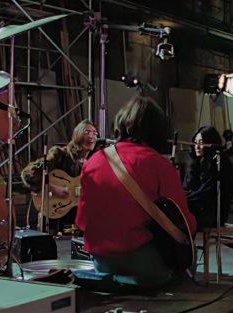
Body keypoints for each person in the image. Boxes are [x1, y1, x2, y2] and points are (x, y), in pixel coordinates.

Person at [74, 95, 197, 292]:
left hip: (101, 264)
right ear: (157, 130)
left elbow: (81, 222)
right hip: (144, 267)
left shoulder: (93, 161)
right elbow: (185, 225)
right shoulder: (158, 164)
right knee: (189, 260)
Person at [21, 119, 98, 234]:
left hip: (76, 226)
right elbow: (28, 173)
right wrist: (53, 188)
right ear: (77, 134)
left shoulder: (91, 163)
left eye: (95, 133)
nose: (92, 136)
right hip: (55, 223)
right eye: (87, 132)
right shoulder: (59, 154)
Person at [183, 126, 233, 231]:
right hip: (197, 207)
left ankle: (186, 245)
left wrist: (185, 199)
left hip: (213, 212)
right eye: (195, 142)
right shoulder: (195, 163)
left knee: (181, 218)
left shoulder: (219, 163)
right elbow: (186, 187)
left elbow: (207, 193)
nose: (197, 146)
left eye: (201, 142)